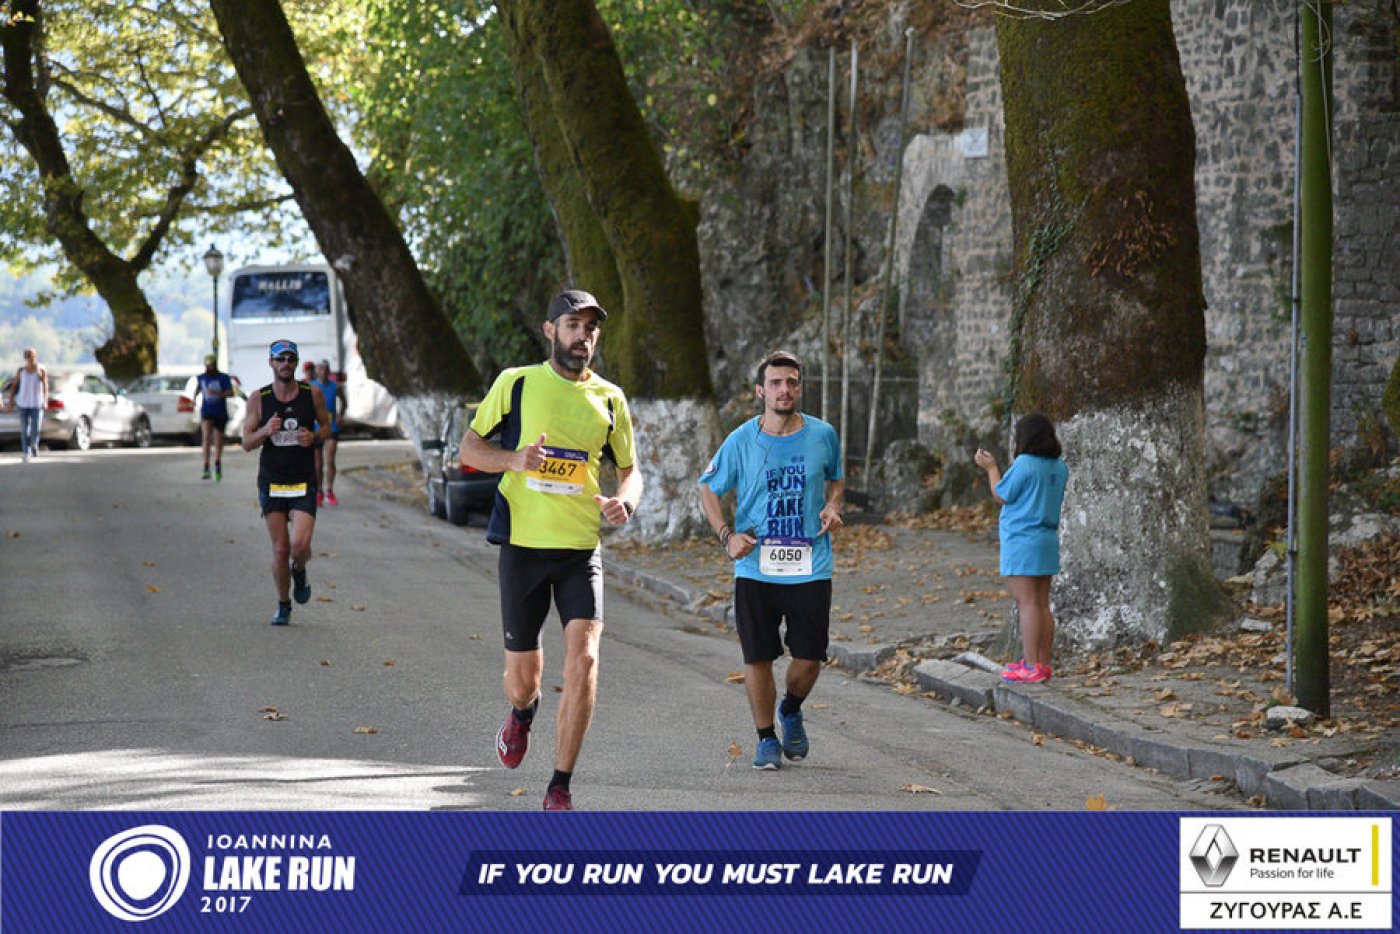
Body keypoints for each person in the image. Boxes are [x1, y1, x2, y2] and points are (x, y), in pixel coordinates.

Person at [461, 289, 641, 811]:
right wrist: (513, 459)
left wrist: (626, 501)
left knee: (585, 659)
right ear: (550, 330)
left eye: (590, 327)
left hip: (580, 550)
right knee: (524, 682)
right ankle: (522, 714)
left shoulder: (610, 398)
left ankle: (559, 785)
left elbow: (630, 470)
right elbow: (470, 448)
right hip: (524, 549)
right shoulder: (516, 383)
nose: (582, 335)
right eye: (572, 325)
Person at [698, 350, 844, 771]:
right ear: (761, 391)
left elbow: (836, 478)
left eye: (792, 382)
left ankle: (791, 708)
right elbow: (708, 488)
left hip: (809, 564)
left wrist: (833, 505)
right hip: (755, 566)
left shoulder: (823, 434)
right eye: (776, 382)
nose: (785, 389)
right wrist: (727, 537)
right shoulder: (741, 440)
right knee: (758, 657)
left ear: (800, 388)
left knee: (810, 657)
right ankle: (765, 738)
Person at [241, 339, 331, 626]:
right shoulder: (259, 398)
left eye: (290, 359)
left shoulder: (312, 393)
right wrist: (265, 431)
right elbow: (246, 442)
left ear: (296, 363)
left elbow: (327, 427)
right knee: (281, 550)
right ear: (271, 362)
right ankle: (283, 604)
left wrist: (314, 437)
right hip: (273, 481)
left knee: (299, 547)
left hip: (303, 480)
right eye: (280, 359)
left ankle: (300, 569)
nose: (285, 364)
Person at [974, 413, 1068, 684]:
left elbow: (1002, 494)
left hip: (1022, 539)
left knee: (1026, 604)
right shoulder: (1059, 467)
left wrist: (991, 468)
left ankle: (1029, 665)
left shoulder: (1025, 463)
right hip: (1047, 538)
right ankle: (1043, 664)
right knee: (1041, 604)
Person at [196, 354, 234, 481]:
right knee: (206, 438)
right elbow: (198, 389)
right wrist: (193, 399)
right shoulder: (201, 377)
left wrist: (217, 393)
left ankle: (217, 464)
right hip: (206, 411)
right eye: (208, 365)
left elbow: (231, 392)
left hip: (220, 412)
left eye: (211, 365)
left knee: (218, 441)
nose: (210, 368)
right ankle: (206, 466)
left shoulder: (223, 377)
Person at [8, 348, 48, 463]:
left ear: (35, 355)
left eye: (30, 355)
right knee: (24, 429)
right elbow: (14, 385)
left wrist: (45, 400)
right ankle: (26, 451)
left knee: (35, 428)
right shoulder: (21, 370)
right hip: (23, 403)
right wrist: (11, 399)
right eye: (26, 355)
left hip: (37, 403)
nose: (29, 357)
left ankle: (34, 444)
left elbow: (45, 386)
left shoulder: (41, 369)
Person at [311, 360, 341, 506]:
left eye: (325, 369)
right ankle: (319, 491)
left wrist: (341, 414)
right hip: (316, 428)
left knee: (330, 459)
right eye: (320, 368)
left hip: (331, 427)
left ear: (329, 371)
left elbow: (344, 401)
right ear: (316, 371)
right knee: (318, 464)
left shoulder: (335, 386)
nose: (323, 371)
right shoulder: (311, 386)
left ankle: (329, 490)